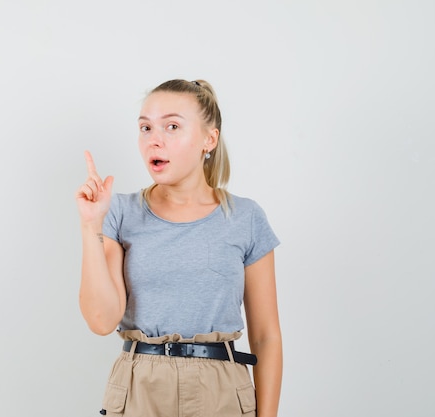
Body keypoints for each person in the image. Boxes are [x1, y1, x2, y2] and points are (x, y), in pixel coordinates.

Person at [75, 79, 282, 417]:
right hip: (140, 387)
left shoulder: (246, 218)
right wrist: (90, 224)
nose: (154, 140)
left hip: (222, 389)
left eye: (172, 126)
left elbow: (266, 337)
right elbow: (101, 320)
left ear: (208, 139)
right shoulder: (120, 212)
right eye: (145, 128)